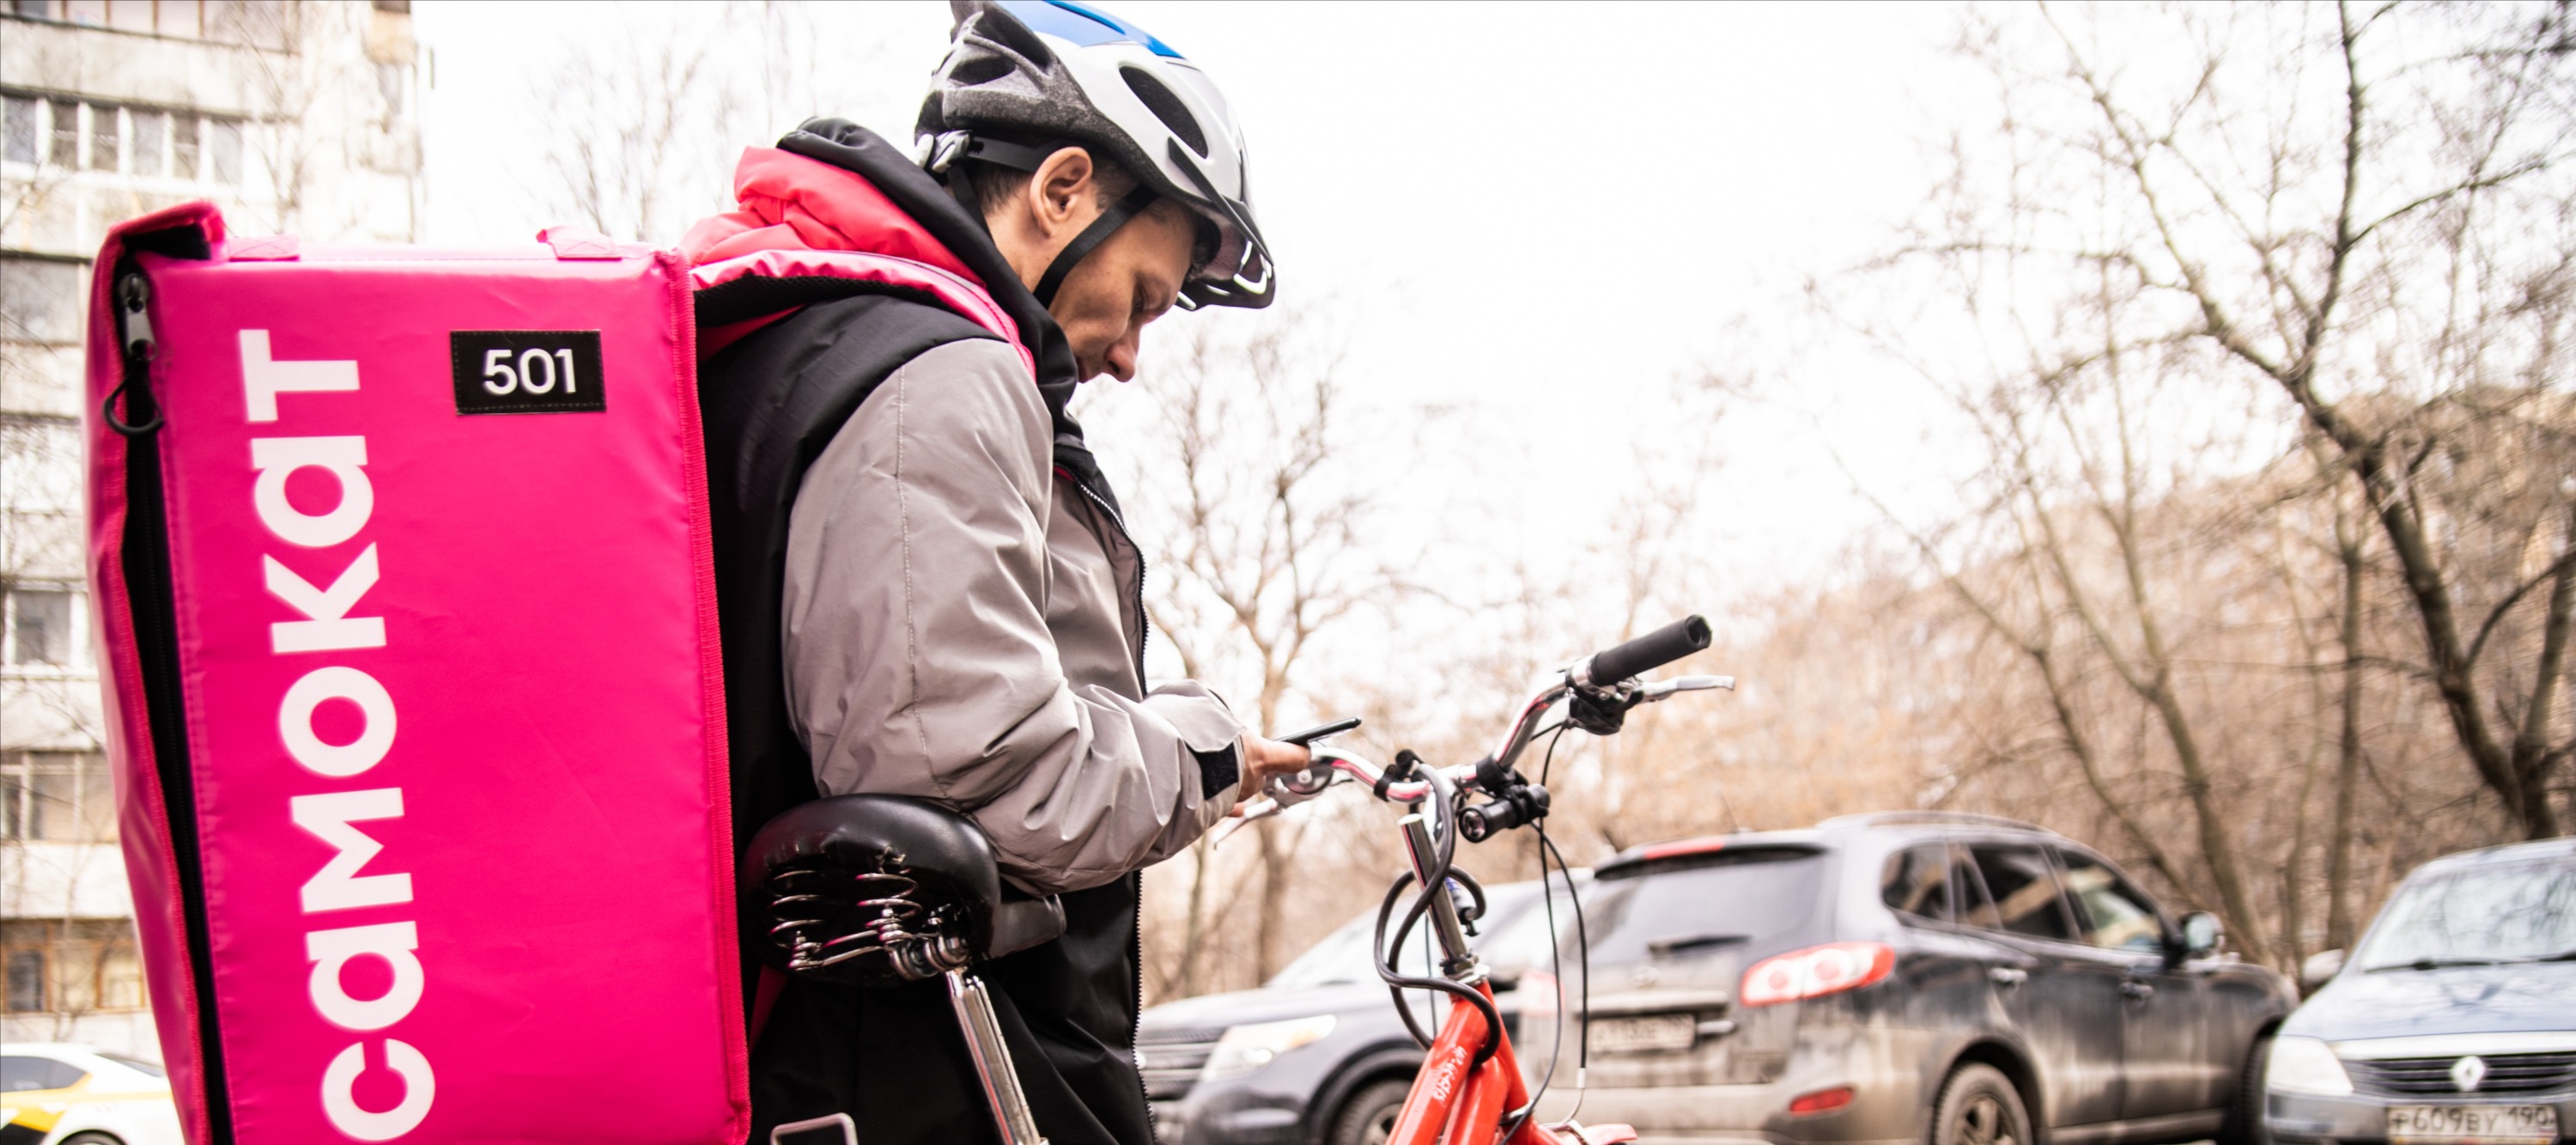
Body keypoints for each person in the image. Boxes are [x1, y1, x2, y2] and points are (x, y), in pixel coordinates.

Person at [680, 2, 1309, 1142]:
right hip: (933, 1065)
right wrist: (1203, 746)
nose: (1127, 354)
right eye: (1145, 297)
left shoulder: (827, 325)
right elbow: (974, 775)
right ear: (1062, 187)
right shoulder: (939, 373)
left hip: (838, 1056)